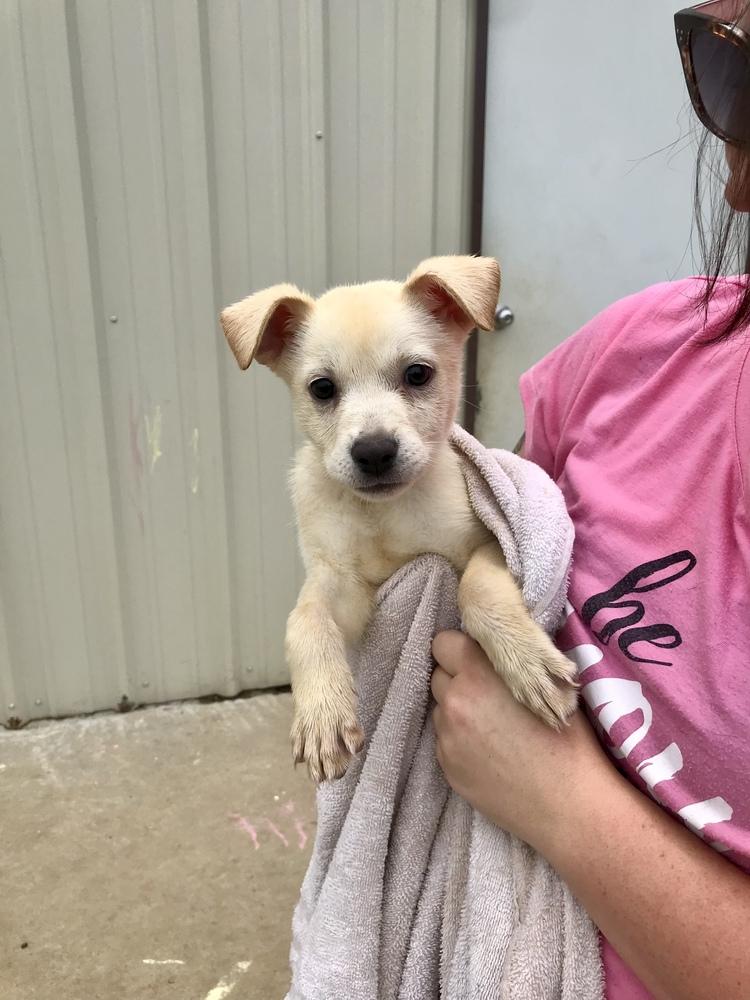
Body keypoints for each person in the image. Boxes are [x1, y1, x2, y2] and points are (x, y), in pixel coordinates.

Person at [430, 2, 750, 998]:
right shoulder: (631, 354)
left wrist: (563, 800)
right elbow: (492, 542)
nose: (734, 177)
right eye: (726, 73)